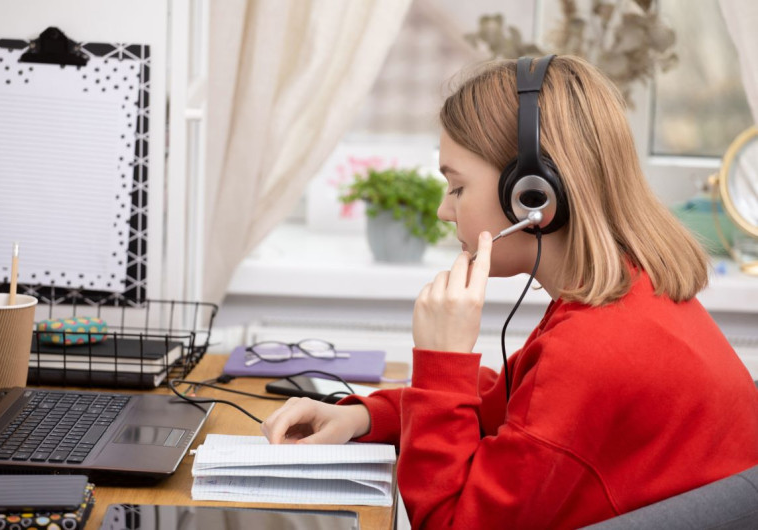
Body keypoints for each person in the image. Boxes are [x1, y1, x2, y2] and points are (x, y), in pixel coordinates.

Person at [261, 55, 758, 529]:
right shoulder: (630, 294)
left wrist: (441, 357)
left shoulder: (592, 351)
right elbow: (515, 405)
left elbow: (452, 524)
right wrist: (366, 416)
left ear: (533, 196)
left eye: (456, 188)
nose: (443, 211)